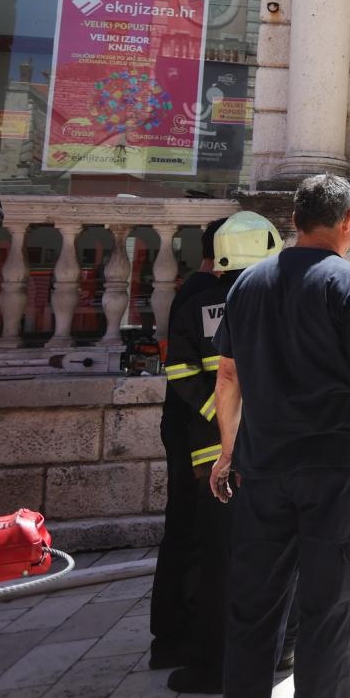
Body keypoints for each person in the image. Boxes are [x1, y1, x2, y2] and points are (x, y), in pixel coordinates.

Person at [209, 174, 350, 698]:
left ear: (295, 221)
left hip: (262, 469)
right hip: (333, 471)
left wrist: (227, 453)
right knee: (328, 610)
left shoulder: (245, 286)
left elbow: (227, 380)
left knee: (254, 610)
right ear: (347, 222)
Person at [163, 212, 287, 695]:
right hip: (269, 451)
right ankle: (279, 648)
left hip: (215, 456)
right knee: (273, 558)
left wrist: (222, 416)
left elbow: (178, 371)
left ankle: (214, 666)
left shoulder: (204, 303)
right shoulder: (281, 302)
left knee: (219, 561)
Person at [150, 215, 230, 671]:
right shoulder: (204, 294)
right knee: (194, 534)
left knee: (186, 530)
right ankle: (179, 636)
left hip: (188, 428)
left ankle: (172, 636)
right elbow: (184, 370)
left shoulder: (196, 290)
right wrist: (220, 414)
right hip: (195, 433)